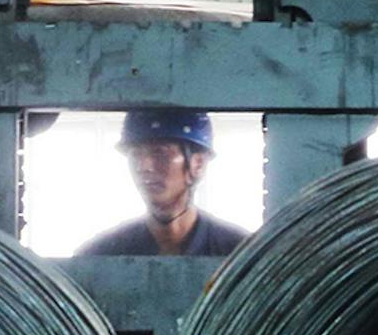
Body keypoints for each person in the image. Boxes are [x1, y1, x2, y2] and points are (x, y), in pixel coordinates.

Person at [75, 110, 250, 257]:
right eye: (135, 155)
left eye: (160, 153)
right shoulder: (99, 254)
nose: (144, 166)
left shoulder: (239, 253)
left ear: (198, 164)